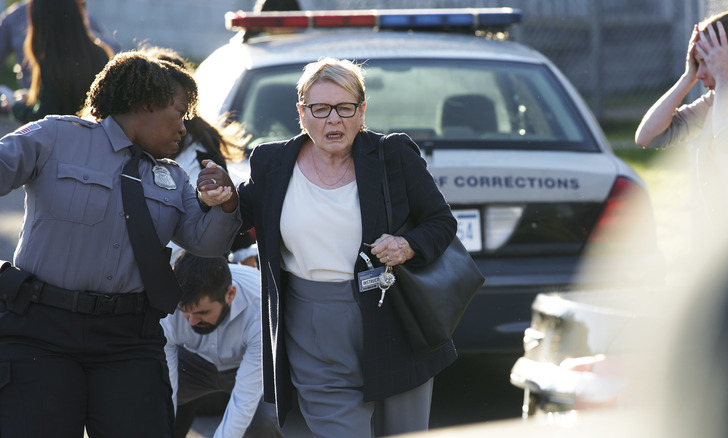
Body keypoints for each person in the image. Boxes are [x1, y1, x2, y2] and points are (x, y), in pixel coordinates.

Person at [0, 51, 241, 437]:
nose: (185, 128)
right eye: (180, 112)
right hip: (41, 329)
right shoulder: (56, 137)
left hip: (129, 338)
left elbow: (206, 244)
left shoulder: (173, 178)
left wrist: (226, 203)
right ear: (146, 103)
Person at [236, 57, 458, 437]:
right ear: (301, 113)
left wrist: (407, 245)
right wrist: (219, 200)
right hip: (314, 325)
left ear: (362, 110)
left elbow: (441, 223)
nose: (333, 120)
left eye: (345, 108)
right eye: (320, 109)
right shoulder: (272, 162)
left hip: (396, 318)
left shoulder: (393, 156)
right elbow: (235, 221)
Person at [634, 11, 728, 237]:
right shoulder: (723, 97)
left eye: (708, 62)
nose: (701, 74)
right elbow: (648, 136)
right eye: (697, 63)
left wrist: (722, 78)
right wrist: (687, 77)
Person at [136, 45, 256, 266]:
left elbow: (230, 222)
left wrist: (222, 201)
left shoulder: (204, 152)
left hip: (191, 275)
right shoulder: (117, 151)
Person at [162, 251, 282, 438]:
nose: (192, 321)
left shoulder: (261, 305)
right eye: (185, 311)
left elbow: (244, 402)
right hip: (192, 364)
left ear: (230, 294)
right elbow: (166, 392)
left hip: (248, 368)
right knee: (148, 400)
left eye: (202, 312)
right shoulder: (167, 305)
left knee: (264, 423)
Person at [10, 0, 115, 123]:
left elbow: (42, 119)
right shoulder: (101, 54)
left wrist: (15, 106)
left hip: (64, 140)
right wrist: (31, 98)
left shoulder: (51, 63)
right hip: (96, 138)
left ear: (40, 20)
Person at [0, 0, 120, 90]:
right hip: (34, 98)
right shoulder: (14, 19)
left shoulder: (79, 15)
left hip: (69, 98)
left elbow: (112, 50)